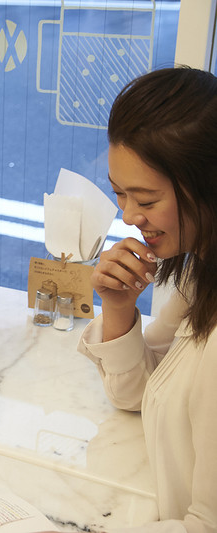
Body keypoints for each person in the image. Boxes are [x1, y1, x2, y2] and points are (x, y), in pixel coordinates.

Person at [78, 67, 217, 533]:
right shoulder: (199, 269)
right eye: (120, 194)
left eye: (147, 199)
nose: (129, 216)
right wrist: (118, 305)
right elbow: (137, 392)